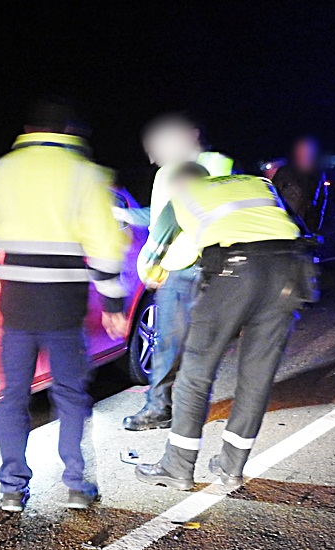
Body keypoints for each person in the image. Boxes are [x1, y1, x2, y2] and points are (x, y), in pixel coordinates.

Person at [0, 97, 129, 512]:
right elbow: (107, 246)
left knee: (14, 396)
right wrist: (112, 301)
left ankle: (11, 490)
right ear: (71, 131)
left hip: (16, 301)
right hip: (64, 303)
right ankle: (75, 484)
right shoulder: (87, 175)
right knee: (70, 394)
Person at [134, 165, 315, 490]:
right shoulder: (258, 183)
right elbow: (299, 225)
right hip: (290, 270)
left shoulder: (184, 196)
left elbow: (154, 253)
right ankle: (231, 467)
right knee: (257, 375)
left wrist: (151, 276)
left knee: (195, 373)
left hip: (235, 272)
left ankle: (178, 466)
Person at [113, 114, 233, 432]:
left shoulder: (213, 165)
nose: (152, 157)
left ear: (190, 136)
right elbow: (159, 214)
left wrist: (152, 264)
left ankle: (170, 410)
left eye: (158, 146)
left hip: (194, 268)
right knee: (171, 343)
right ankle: (167, 408)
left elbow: (176, 214)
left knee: (183, 345)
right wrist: (124, 213)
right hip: (178, 267)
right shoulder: (170, 170)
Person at [272, 136, 327, 234]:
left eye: (309, 151)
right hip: (287, 226)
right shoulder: (285, 172)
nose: (305, 154)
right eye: (302, 151)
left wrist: (316, 225)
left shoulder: (318, 174)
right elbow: (273, 196)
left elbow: (322, 200)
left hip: (308, 228)